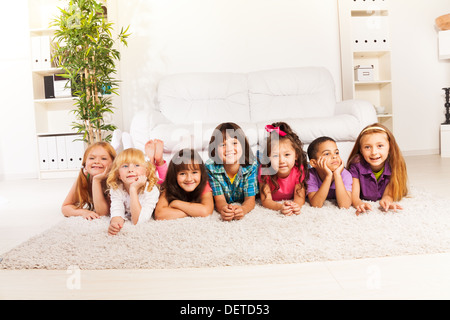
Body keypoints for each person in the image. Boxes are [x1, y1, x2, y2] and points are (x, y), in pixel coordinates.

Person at [347, 123, 408, 214]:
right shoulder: (356, 165)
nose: (374, 152)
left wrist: (387, 200)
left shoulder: (394, 164)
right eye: (367, 147)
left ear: (390, 147)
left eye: (380, 146)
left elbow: (389, 193)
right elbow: (354, 195)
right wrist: (358, 203)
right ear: (361, 150)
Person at [206, 122, 258, 221]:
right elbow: (220, 199)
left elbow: (250, 200)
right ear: (215, 150)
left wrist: (243, 209)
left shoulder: (251, 166)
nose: (229, 148)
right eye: (223, 145)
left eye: (234, 143)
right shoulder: (211, 167)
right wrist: (224, 209)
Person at [106, 148, 160, 235]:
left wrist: (133, 189)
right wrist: (115, 223)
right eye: (125, 166)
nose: (130, 170)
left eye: (137, 165)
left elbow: (138, 221)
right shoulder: (117, 188)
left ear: (146, 171)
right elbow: (117, 210)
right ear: (118, 174)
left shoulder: (151, 189)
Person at [258, 122, 308, 215]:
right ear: (268, 157)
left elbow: (299, 197)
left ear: (296, 155)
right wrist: (280, 207)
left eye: (287, 155)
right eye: (275, 155)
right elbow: (266, 200)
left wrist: (294, 206)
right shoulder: (265, 171)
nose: (282, 160)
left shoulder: (298, 169)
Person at [61, 141, 116, 219]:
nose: (96, 161)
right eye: (92, 158)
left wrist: (96, 181)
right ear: (85, 164)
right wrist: (83, 212)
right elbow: (65, 207)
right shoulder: (85, 176)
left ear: (113, 164)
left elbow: (103, 213)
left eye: (103, 158)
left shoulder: (115, 181)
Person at [155, 149, 214, 220]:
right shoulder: (170, 186)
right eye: (182, 173)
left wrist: (176, 203)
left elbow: (206, 211)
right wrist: (194, 212)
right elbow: (159, 214)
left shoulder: (204, 185)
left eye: (194, 172)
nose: (189, 179)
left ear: (201, 173)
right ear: (174, 176)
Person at [306, 136, 352, 209]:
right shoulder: (310, 175)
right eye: (327, 154)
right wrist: (328, 176)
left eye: (336, 153)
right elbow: (316, 204)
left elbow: (345, 205)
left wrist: (337, 175)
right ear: (314, 163)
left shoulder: (345, 174)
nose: (334, 156)